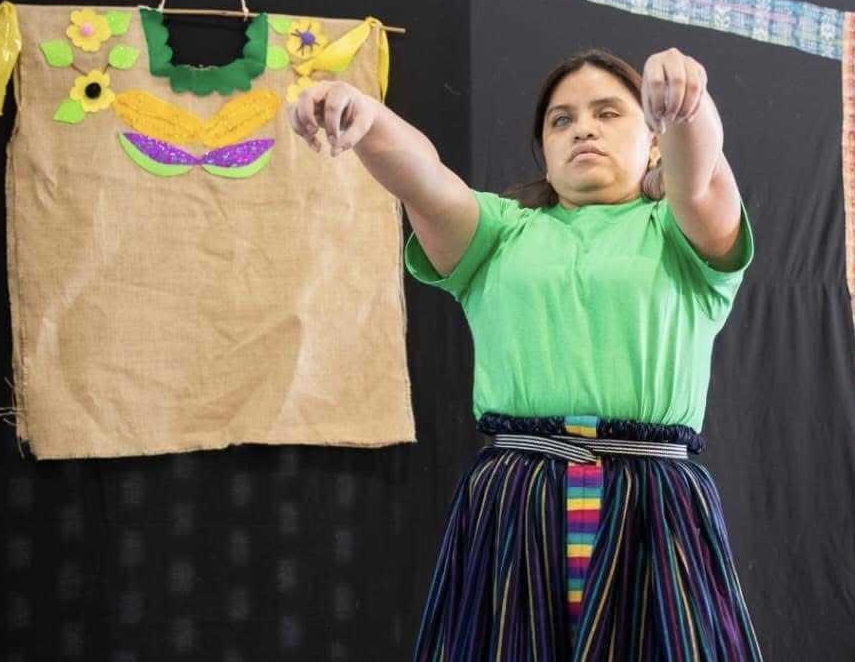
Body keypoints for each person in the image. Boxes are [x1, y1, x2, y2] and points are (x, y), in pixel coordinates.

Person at [289, 46, 761, 661]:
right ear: (545, 149)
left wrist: (688, 100)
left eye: (609, 112)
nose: (583, 127)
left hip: (654, 504)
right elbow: (424, 180)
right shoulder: (499, 231)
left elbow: (699, 175)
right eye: (561, 120)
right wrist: (367, 117)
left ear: (653, 141)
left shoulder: (680, 227)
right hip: (518, 502)